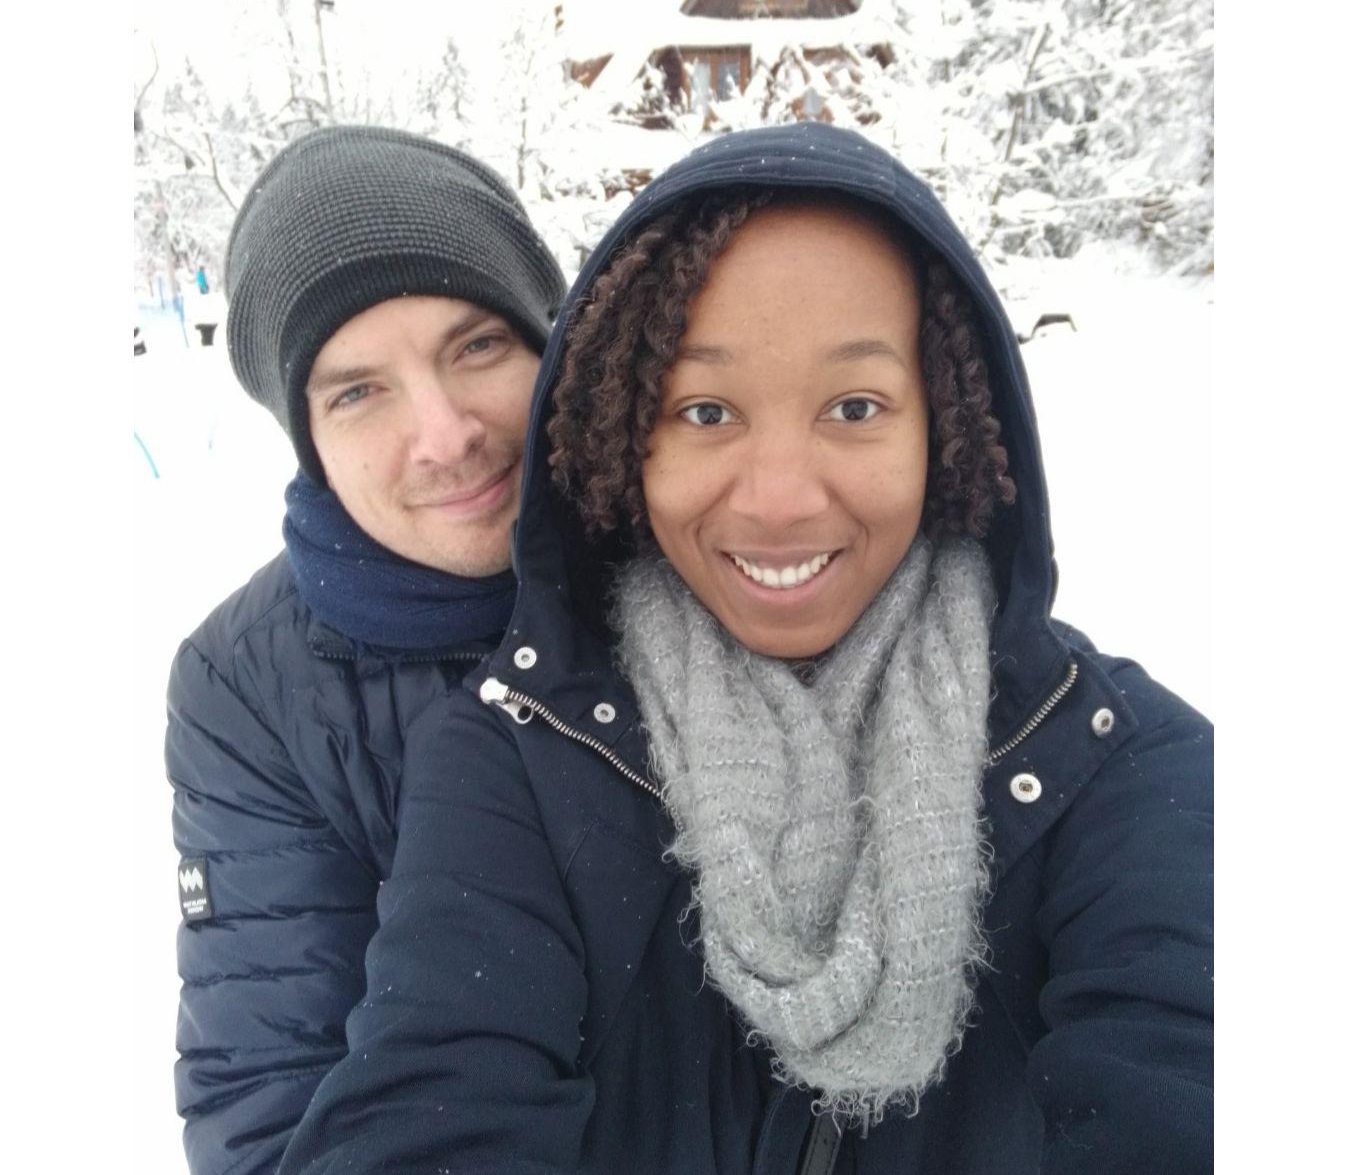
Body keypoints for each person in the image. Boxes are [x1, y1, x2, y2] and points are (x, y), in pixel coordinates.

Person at [278, 123, 1213, 1174]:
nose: (778, 499)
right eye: (706, 410)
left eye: (853, 407)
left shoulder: (1120, 764)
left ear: (946, 427)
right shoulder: (514, 760)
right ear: (623, 438)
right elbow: (432, 1091)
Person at [165, 125, 567, 1175]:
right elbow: (270, 1101)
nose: (444, 434)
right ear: (308, 438)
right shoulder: (249, 686)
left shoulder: (709, 550)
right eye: (357, 390)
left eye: (477, 346)